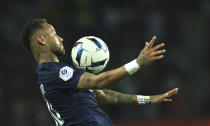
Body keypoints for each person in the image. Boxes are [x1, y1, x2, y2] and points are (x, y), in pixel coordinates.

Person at [20, 18, 178, 126]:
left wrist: (149, 99)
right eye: (54, 33)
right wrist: (137, 63)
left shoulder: (58, 74)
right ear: (41, 39)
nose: (60, 38)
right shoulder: (51, 72)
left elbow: (104, 95)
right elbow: (98, 81)